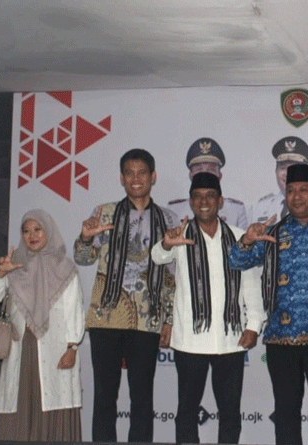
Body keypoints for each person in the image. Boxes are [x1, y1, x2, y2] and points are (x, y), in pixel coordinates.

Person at [228, 163, 308, 445]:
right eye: (291, 191)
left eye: (303, 190)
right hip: (281, 339)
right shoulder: (271, 233)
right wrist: (248, 239)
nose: (296, 197)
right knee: (286, 414)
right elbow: (236, 261)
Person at [151, 173, 264, 444]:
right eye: (198, 197)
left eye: (210, 196)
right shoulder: (179, 236)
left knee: (230, 413)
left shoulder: (239, 237)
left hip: (230, 340)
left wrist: (254, 325)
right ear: (191, 202)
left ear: (220, 201)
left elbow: (251, 284)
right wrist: (166, 243)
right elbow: (157, 257)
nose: (204, 202)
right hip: (190, 341)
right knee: (187, 411)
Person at [74, 148, 176, 442]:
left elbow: (172, 275)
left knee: (142, 397)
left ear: (153, 176)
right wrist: (85, 238)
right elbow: (83, 259)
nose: (136, 178)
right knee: (105, 396)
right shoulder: (103, 212)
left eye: (142, 172)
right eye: (129, 173)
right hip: (106, 316)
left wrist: (168, 319)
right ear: (121, 178)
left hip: (147, 319)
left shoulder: (168, 218)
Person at [0, 209, 84, 441]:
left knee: (54, 404)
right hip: (21, 347)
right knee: (20, 406)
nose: (31, 236)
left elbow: (73, 310)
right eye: (26, 231)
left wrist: (72, 347)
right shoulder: (15, 265)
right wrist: (0, 272)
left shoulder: (64, 267)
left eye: (38, 229)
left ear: (49, 232)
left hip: (56, 350)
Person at [168, 137, 248, 229]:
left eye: (211, 169)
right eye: (199, 169)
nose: (205, 174)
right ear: (190, 175)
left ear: (219, 175)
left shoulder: (236, 210)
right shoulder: (175, 210)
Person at [251, 136, 308, 223]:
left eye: (293, 168)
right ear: (276, 171)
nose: (287, 174)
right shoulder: (260, 207)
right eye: (282, 168)